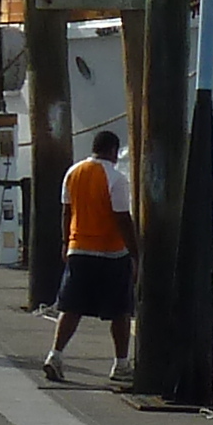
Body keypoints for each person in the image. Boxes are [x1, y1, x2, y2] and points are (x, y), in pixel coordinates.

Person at [40, 129, 137, 381]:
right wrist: (136, 252)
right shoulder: (117, 178)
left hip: (78, 249)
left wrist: (65, 242)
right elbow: (122, 218)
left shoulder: (73, 173)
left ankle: (55, 355)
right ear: (114, 151)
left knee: (71, 307)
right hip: (111, 253)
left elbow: (66, 211)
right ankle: (121, 364)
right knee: (120, 311)